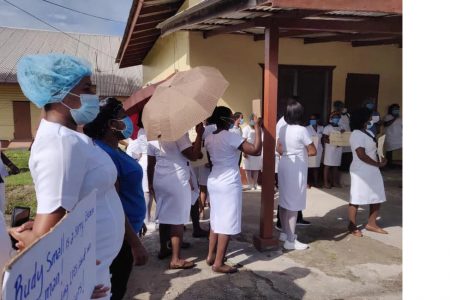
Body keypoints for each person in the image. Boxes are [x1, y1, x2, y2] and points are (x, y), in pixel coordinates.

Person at [10, 53, 124, 299]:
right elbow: (44, 238)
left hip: (92, 271)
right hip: (84, 282)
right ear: (60, 94)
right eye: (86, 88)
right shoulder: (60, 145)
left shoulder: (71, 138)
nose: (93, 95)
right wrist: (73, 279)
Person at [84, 97, 148, 299]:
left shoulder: (114, 148)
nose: (128, 121)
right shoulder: (105, 154)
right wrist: (135, 242)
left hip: (129, 226)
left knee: (119, 284)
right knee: (115, 287)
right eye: (123, 117)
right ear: (112, 125)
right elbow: (115, 200)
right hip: (120, 235)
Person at [205, 106, 261, 273]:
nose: (233, 120)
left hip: (214, 180)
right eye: (230, 117)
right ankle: (218, 263)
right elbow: (256, 150)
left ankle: (210, 256)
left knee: (215, 220)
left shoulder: (208, 138)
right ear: (225, 120)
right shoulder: (230, 137)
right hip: (228, 182)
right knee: (227, 221)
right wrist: (257, 127)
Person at [147, 125, 203, 269]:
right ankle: (176, 259)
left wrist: (151, 184)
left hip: (160, 179)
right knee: (177, 220)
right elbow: (194, 155)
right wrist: (199, 135)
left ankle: (164, 249)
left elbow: (150, 164)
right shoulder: (178, 133)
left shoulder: (152, 136)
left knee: (165, 216)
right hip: (176, 180)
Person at [276, 101, 317, 250]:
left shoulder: (282, 128)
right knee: (293, 203)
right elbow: (313, 151)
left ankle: (285, 233)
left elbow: (278, 148)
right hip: (296, 167)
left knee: (284, 200)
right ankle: (291, 240)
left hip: (284, 163)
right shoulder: (301, 130)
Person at [348, 108, 388, 237]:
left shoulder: (367, 133)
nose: (371, 119)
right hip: (361, 171)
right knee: (357, 197)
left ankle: (371, 223)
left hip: (372, 169)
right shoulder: (356, 134)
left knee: (377, 195)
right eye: (370, 117)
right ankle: (352, 225)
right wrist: (377, 164)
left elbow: (372, 150)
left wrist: (380, 157)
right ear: (363, 119)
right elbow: (361, 154)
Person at [126, 111, 154, 225]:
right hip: (149, 160)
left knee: (148, 191)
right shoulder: (146, 131)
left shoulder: (141, 131)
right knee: (147, 191)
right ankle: (146, 219)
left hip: (145, 160)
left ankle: (147, 217)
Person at [322, 111, 345, 189]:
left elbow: (344, 137)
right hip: (330, 149)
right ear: (331, 119)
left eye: (338, 118)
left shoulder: (341, 127)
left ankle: (334, 182)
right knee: (327, 166)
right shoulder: (328, 127)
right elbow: (324, 139)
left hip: (338, 149)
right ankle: (326, 182)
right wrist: (334, 142)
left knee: (336, 166)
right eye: (335, 118)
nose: (336, 119)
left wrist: (343, 135)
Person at [242, 114, 262, 190]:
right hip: (248, 150)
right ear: (251, 120)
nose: (255, 121)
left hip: (257, 151)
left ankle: (255, 184)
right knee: (248, 169)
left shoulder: (258, 128)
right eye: (254, 119)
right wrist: (244, 152)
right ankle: (250, 184)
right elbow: (244, 140)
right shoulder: (246, 128)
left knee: (256, 168)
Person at [306, 114, 324, 188]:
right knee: (308, 166)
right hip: (309, 149)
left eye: (314, 119)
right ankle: (306, 183)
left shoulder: (321, 128)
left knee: (316, 167)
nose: (312, 121)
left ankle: (316, 182)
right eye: (311, 119)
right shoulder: (306, 128)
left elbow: (323, 138)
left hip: (319, 149)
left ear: (317, 120)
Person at [383, 104, 402, 168]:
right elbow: (386, 124)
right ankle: (388, 164)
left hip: (399, 137)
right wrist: (394, 118)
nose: (396, 110)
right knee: (389, 151)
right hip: (390, 137)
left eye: (397, 109)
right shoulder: (387, 117)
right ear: (391, 110)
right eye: (394, 109)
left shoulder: (400, 117)